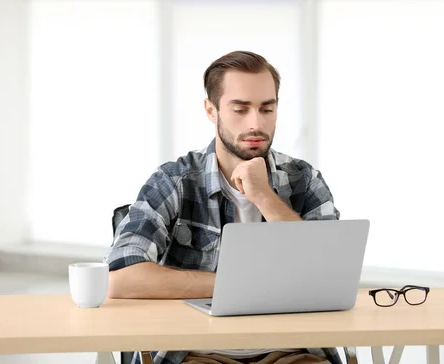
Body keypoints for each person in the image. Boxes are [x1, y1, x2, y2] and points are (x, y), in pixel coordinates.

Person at [105, 51, 342, 364]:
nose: (256, 123)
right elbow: (121, 278)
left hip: (292, 352)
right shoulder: (175, 180)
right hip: (197, 353)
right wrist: (238, 285)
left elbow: (329, 275)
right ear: (211, 110)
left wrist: (264, 196)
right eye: (240, 109)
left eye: (267, 109)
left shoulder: (305, 180)